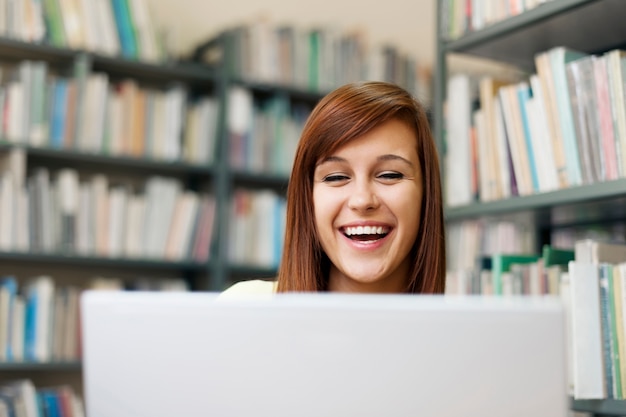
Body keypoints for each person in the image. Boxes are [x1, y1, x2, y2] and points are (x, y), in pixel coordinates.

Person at [223, 81, 445, 295]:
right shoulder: (244, 310)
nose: (362, 200)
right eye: (336, 177)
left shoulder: (462, 331)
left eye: (390, 175)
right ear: (308, 198)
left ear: (426, 194)